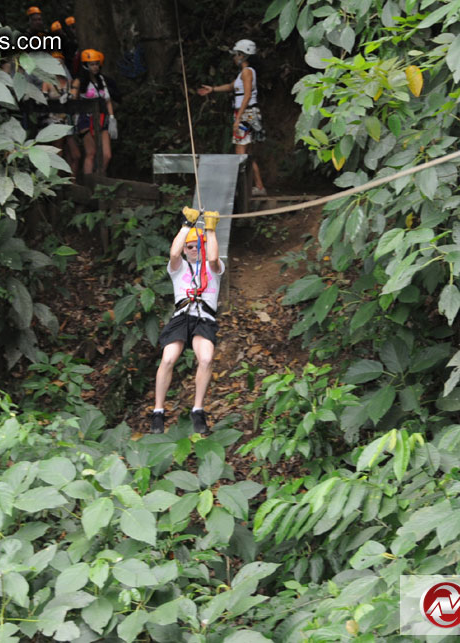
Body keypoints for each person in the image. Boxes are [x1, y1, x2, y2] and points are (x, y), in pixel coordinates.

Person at [150, 208, 224, 434]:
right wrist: (186, 226)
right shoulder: (178, 267)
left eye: (197, 246)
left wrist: (210, 231)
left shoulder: (215, 268)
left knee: (206, 358)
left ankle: (198, 409)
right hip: (182, 317)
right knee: (169, 357)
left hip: (204, 317)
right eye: (190, 246)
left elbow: (212, 257)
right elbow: (173, 254)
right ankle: (158, 412)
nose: (193, 249)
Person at [196, 38, 268, 196]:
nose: (234, 57)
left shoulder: (247, 72)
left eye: (236, 54)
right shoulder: (243, 73)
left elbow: (247, 95)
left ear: (243, 55)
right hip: (247, 113)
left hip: (245, 113)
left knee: (240, 152)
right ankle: (259, 186)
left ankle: (240, 188)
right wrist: (212, 89)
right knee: (245, 153)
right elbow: (231, 86)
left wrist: (238, 119)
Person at [71, 49, 117, 175]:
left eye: (97, 64)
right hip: (85, 119)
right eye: (92, 64)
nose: (95, 67)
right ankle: (88, 183)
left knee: (106, 154)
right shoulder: (79, 81)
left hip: (102, 117)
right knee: (91, 153)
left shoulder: (102, 80)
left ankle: (99, 177)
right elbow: (73, 98)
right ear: (85, 65)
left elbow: (107, 100)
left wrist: (112, 118)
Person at [41, 51, 81, 174]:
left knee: (76, 155)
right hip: (54, 121)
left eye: (61, 64)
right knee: (58, 152)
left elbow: (75, 100)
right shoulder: (47, 83)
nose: (59, 66)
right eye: (56, 64)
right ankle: (57, 184)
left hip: (68, 122)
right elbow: (43, 101)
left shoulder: (70, 83)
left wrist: (70, 94)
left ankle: (72, 181)